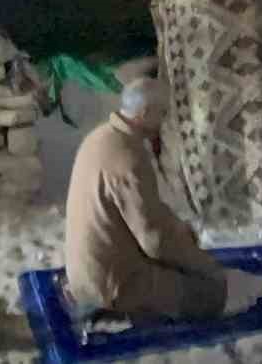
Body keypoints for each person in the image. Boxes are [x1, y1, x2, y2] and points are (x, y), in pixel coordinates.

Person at [64, 77, 228, 321]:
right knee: (212, 291)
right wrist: (202, 262)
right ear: (145, 113)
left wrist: (178, 230)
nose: (164, 121)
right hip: (108, 285)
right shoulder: (128, 157)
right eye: (162, 113)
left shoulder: (99, 136)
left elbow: (142, 212)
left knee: (181, 243)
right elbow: (154, 242)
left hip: (85, 272)